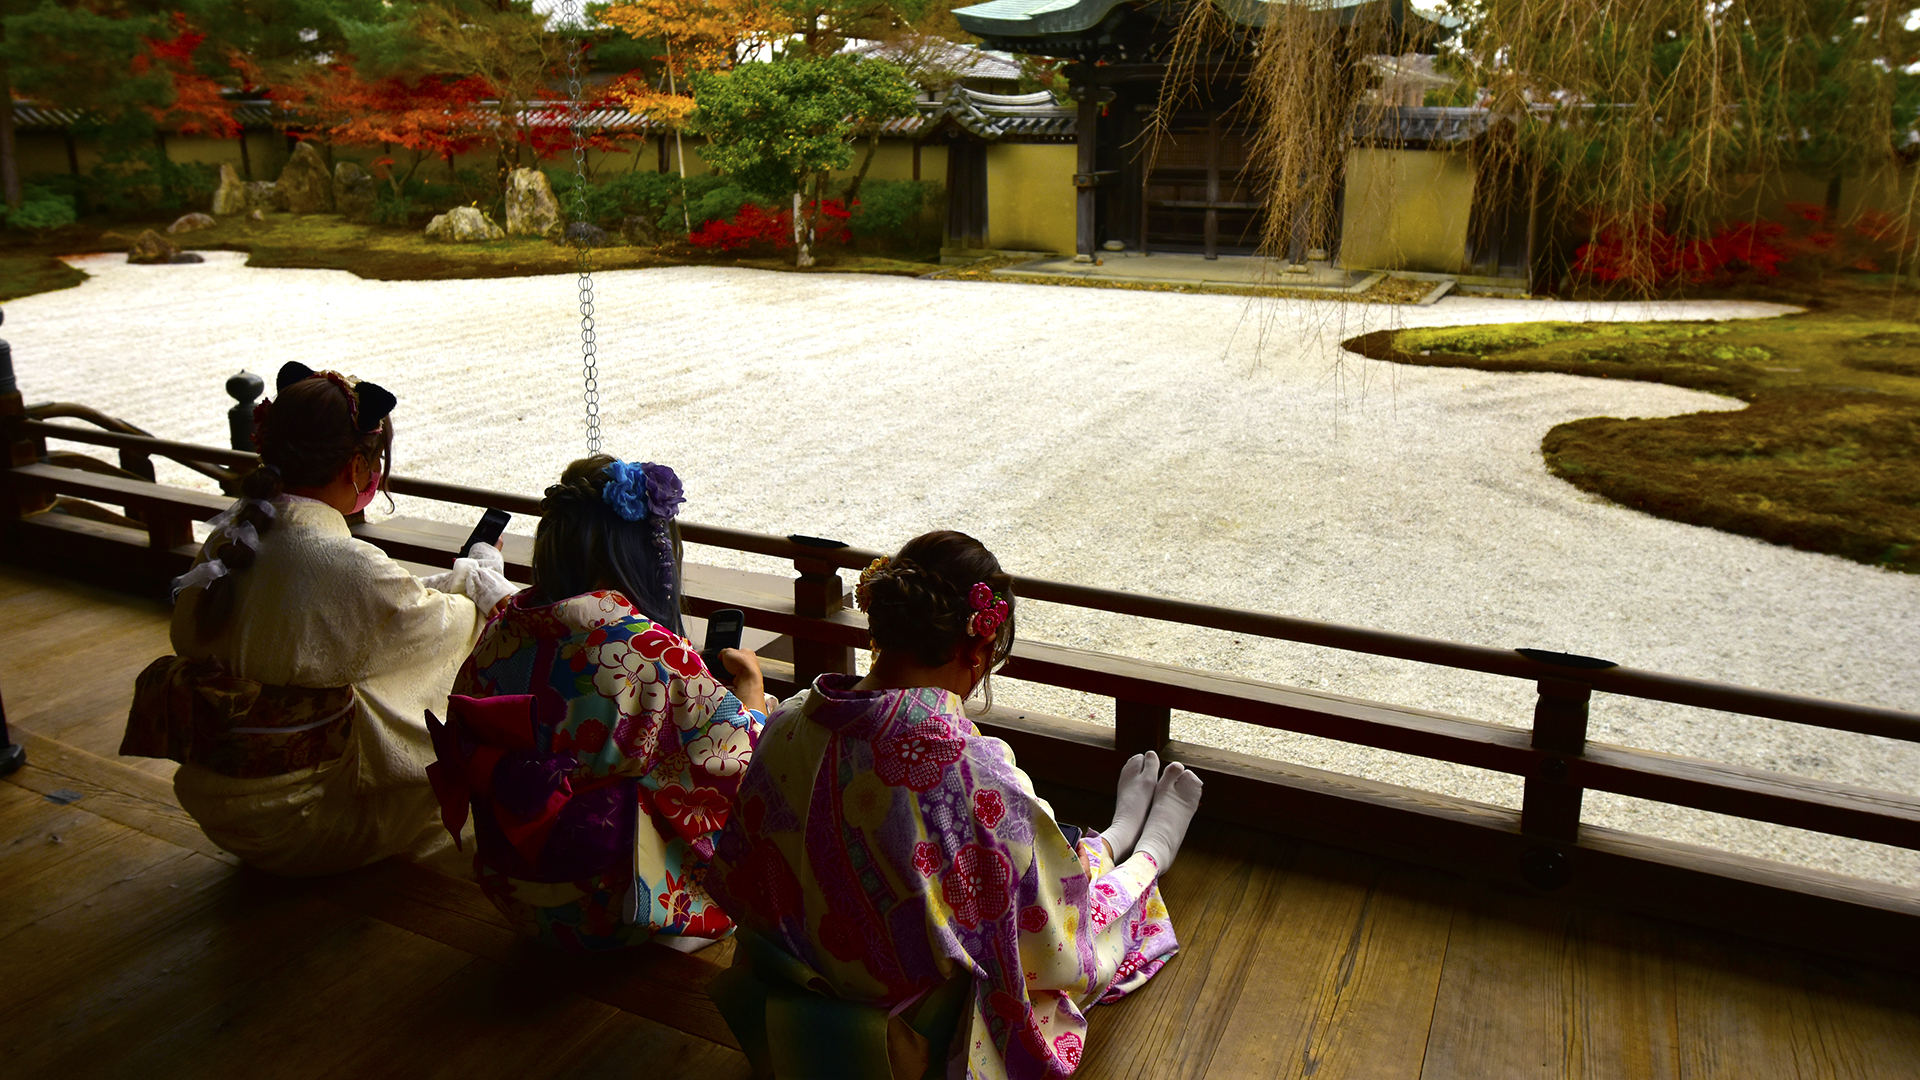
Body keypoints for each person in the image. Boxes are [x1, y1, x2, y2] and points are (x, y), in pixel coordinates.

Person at [708, 530, 1204, 1079]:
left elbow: (739, 874)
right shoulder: (971, 770)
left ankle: (1111, 838)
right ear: (978, 648)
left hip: (784, 999)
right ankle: (1143, 852)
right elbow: (1047, 941)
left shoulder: (789, 721)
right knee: (1076, 905)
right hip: (905, 1035)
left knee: (1017, 853)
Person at [123, 361, 515, 876]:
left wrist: (457, 582)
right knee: (465, 688)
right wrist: (482, 574)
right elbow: (444, 628)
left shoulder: (231, 538)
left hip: (218, 811)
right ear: (357, 468)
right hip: (302, 822)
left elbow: (379, 605)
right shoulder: (346, 564)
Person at [428, 454, 770, 953]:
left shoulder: (501, 631)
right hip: (617, 909)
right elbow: (742, 762)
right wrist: (754, 701)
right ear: (651, 559)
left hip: (515, 890)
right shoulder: (653, 652)